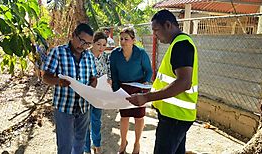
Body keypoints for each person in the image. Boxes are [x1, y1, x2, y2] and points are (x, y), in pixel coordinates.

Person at [126, 9, 198, 154]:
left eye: (156, 30)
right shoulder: (178, 44)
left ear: (168, 25)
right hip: (176, 116)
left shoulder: (181, 45)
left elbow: (184, 82)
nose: (155, 35)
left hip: (175, 118)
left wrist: (146, 97)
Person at [42, 23, 97, 154]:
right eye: (82, 41)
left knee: (80, 142)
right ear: (73, 35)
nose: (83, 46)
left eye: (88, 44)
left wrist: (93, 85)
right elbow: (46, 77)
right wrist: (58, 81)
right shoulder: (58, 52)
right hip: (64, 107)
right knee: (65, 145)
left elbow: (93, 77)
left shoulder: (89, 56)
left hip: (83, 107)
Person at [110, 27, 152, 154]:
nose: (123, 41)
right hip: (122, 88)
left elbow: (149, 70)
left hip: (139, 88)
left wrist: (144, 83)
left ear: (133, 40)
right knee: (124, 117)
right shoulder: (115, 54)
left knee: (139, 117)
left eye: (126, 39)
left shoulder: (141, 53)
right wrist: (116, 89)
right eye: (121, 39)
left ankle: (137, 144)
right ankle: (123, 144)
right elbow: (114, 73)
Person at [84, 31, 111, 154]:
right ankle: (86, 148)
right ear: (93, 43)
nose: (101, 48)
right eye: (98, 44)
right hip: (85, 92)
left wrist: (110, 80)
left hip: (100, 93)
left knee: (96, 120)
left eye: (104, 45)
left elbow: (109, 72)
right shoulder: (85, 55)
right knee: (85, 121)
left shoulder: (105, 57)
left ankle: (97, 145)